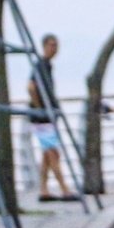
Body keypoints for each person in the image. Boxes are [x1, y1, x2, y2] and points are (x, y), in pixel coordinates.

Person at [28, 34, 74, 201]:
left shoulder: (47, 66)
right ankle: (65, 189)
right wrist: (39, 107)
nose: (54, 49)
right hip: (42, 116)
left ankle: (43, 189)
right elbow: (31, 87)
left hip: (47, 115)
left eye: (56, 45)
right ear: (44, 46)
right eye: (51, 45)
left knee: (47, 154)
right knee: (53, 152)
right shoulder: (40, 65)